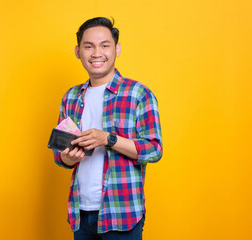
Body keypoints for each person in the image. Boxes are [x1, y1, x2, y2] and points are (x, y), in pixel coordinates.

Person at [53, 17, 162, 240]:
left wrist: (108, 139)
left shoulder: (138, 94)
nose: (96, 53)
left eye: (104, 45)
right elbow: (59, 155)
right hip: (80, 213)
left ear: (117, 49)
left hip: (121, 214)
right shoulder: (71, 97)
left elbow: (154, 150)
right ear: (78, 51)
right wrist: (69, 158)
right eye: (88, 46)